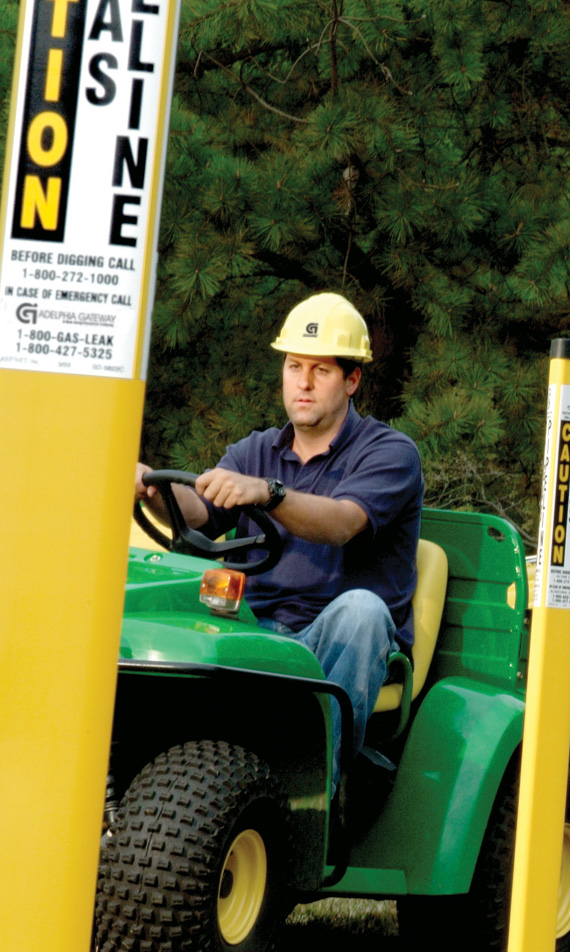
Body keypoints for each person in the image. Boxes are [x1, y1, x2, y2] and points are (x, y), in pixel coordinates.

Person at [135, 292, 424, 792]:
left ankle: (314, 792)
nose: (303, 383)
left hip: (331, 636)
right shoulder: (255, 449)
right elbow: (201, 513)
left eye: (321, 370)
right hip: (255, 626)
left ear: (352, 380)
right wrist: (152, 488)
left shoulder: (389, 453)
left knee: (363, 611)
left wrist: (268, 494)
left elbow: (341, 523)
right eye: (294, 366)